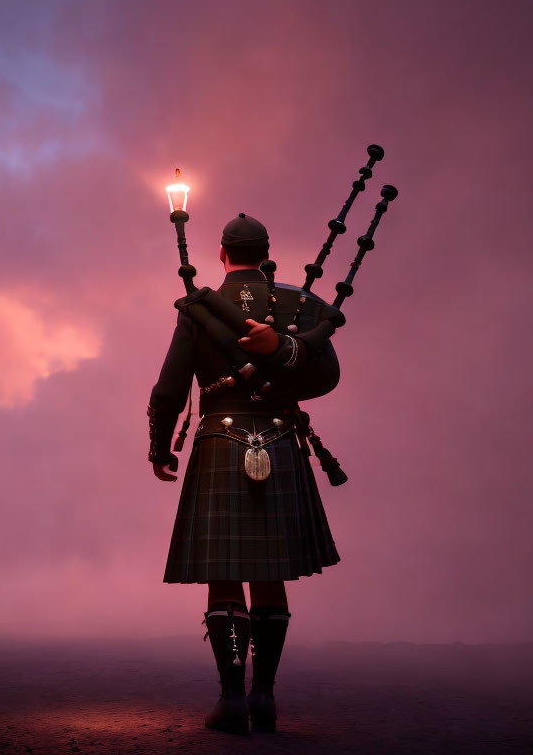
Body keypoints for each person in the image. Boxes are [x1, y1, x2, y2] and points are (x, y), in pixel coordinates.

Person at [148, 213, 341, 734]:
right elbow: (328, 376)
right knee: (270, 572)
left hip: (217, 443)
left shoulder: (200, 308)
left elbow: (168, 391)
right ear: (267, 252)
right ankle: (264, 698)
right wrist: (286, 348)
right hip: (279, 439)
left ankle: (232, 701)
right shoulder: (300, 305)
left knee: (225, 574)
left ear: (220, 254)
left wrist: (159, 448)